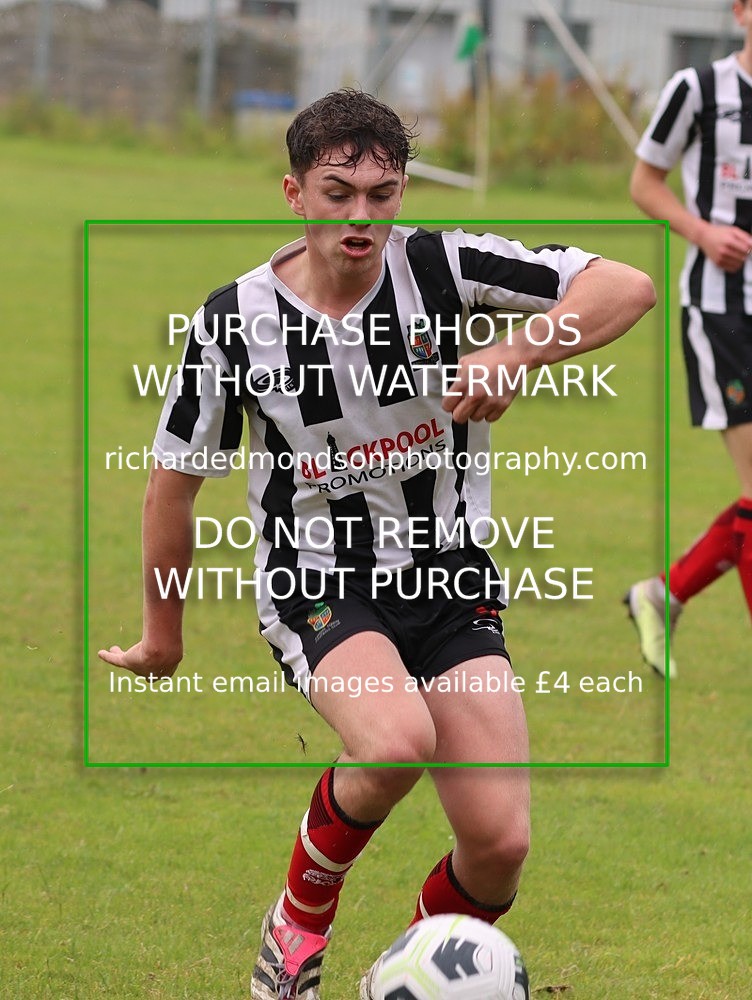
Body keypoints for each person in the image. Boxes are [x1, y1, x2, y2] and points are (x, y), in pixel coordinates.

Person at [99, 89, 655, 999]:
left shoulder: (441, 266)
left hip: (449, 576)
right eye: (337, 193)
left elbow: (625, 286)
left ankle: (405, 976)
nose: (360, 216)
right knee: (395, 741)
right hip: (319, 579)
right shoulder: (234, 321)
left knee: (500, 844)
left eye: (381, 194)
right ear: (294, 193)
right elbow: (173, 483)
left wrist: (517, 351)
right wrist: (163, 635)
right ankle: (298, 922)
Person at [624, 0, 752, 680]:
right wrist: (702, 232)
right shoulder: (699, 90)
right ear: (741, 11)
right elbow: (644, 182)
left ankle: (662, 593)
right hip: (722, 309)